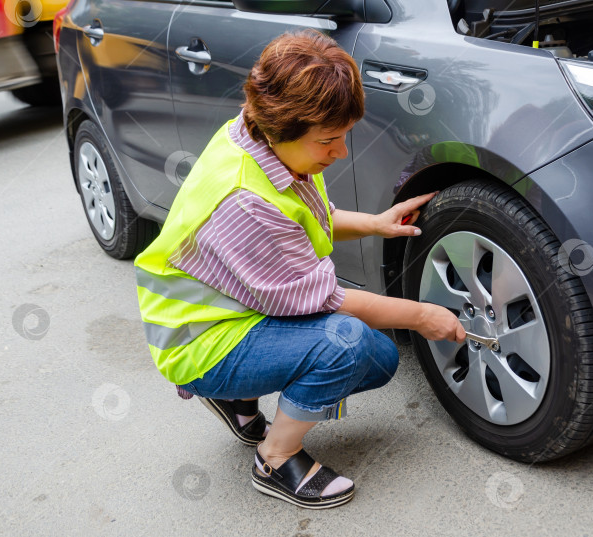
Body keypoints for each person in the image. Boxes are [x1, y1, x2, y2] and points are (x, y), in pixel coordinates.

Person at [134, 29, 465, 509]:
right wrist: (422, 315)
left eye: (344, 136)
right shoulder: (245, 203)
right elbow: (327, 301)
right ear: (280, 126)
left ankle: (237, 398)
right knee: (347, 346)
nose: (340, 153)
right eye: (328, 141)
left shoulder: (249, 136)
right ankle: (274, 458)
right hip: (199, 340)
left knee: (379, 356)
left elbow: (308, 218)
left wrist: (376, 224)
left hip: (233, 312)